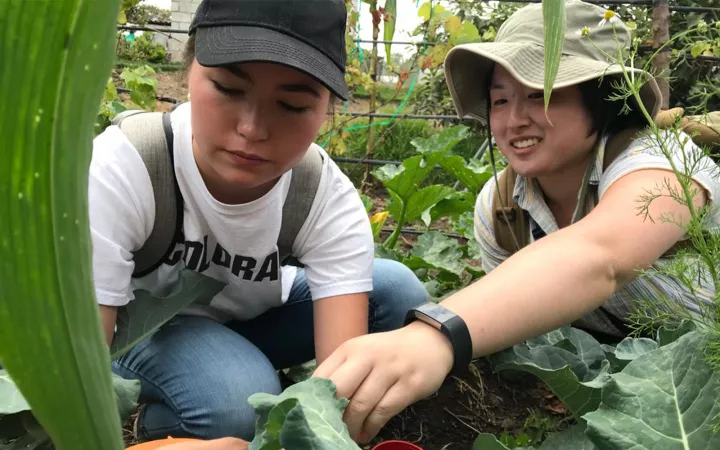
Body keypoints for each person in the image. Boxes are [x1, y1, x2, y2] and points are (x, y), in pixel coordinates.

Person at [313, 0, 720, 444]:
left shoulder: (662, 161)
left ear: (602, 100)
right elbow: (529, 322)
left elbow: (602, 254)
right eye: (500, 100)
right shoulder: (500, 208)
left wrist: (437, 334)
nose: (514, 120)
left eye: (541, 94)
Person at [89, 0, 427, 446]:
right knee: (240, 402)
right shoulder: (126, 165)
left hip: (250, 319)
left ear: (325, 107)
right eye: (228, 89)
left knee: (398, 295)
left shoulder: (321, 193)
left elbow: (333, 396)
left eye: (290, 105)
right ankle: (168, 425)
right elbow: (81, 366)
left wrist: (325, 427)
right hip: (137, 332)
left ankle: (231, 374)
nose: (251, 129)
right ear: (189, 69)